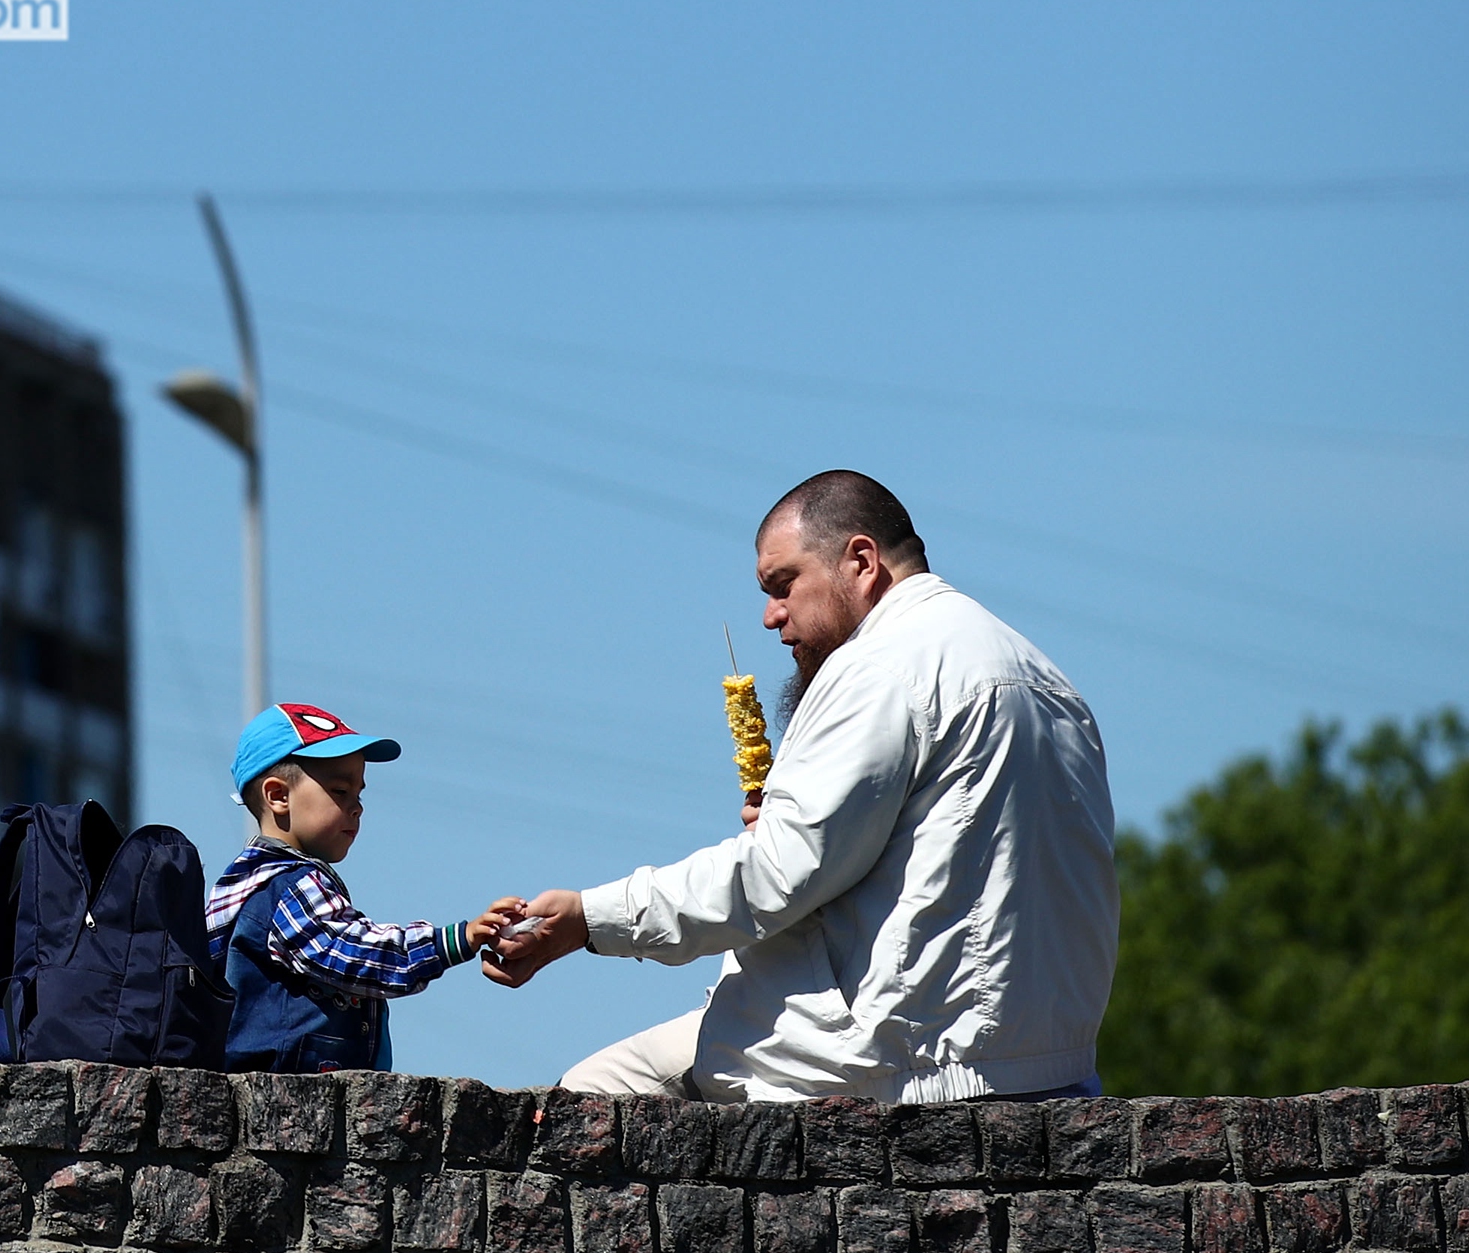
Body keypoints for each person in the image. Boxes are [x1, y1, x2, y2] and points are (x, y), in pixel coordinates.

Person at [488, 471, 1117, 1101]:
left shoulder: (877, 666)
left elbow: (775, 877)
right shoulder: (1044, 674)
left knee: (586, 1102)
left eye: (783, 585)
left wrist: (589, 918)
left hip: (895, 1064)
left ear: (861, 561)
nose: (770, 617)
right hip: (1048, 1064)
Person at [213, 699, 527, 1071]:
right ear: (278, 796)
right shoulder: (287, 886)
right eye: (340, 791)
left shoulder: (245, 884)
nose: (357, 807)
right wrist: (458, 940)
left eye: (359, 794)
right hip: (290, 1097)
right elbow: (352, 952)